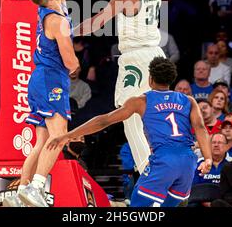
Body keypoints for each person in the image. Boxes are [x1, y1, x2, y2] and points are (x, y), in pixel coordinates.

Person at [2, 0, 98, 207]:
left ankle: (21, 191)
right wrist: (76, 65)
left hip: (41, 78)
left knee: (42, 140)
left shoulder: (55, 4)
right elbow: (70, 60)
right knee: (60, 136)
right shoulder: (56, 19)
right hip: (51, 79)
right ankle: (37, 188)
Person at [47, 57, 212, 207]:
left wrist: (68, 135)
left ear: (150, 78)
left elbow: (103, 120)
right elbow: (200, 128)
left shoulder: (141, 101)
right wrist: (208, 158)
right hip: (187, 161)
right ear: (172, 79)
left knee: (136, 207)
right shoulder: (189, 101)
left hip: (164, 159)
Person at [74, 0, 165, 174]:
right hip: (156, 55)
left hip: (136, 58)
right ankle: (157, 160)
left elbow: (96, 23)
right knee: (147, 113)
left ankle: (147, 167)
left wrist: (65, 29)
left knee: (128, 113)